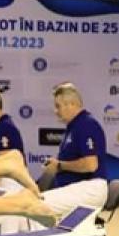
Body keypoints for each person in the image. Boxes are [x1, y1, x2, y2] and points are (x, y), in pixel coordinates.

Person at [40, 82, 108, 215]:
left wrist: (59, 165)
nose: (55, 111)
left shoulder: (86, 124)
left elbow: (91, 165)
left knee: (36, 205)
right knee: (33, 204)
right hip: (76, 187)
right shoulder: (74, 127)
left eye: (58, 106)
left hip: (90, 187)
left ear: (71, 104)